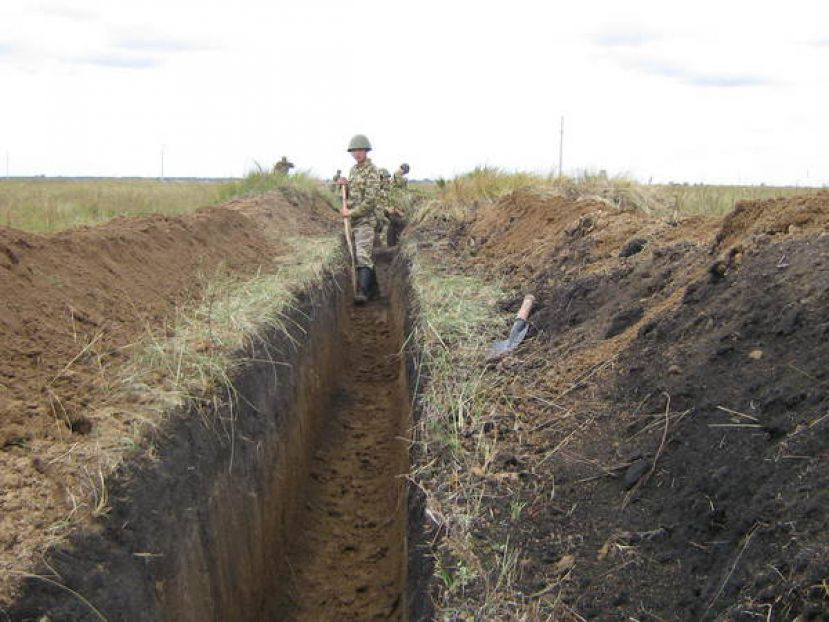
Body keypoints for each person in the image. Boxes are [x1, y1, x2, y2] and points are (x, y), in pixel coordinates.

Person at [337, 134, 382, 304]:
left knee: (363, 255)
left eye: (360, 150)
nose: (357, 154)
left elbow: (370, 202)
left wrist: (351, 212)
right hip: (352, 221)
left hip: (365, 220)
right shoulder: (353, 170)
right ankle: (374, 291)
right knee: (357, 255)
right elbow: (351, 195)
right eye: (354, 151)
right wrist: (344, 185)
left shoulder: (373, 171)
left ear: (366, 151)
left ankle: (363, 293)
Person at [387, 163, 410, 246]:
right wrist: (405, 180)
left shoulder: (396, 175)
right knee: (396, 226)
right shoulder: (398, 173)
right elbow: (400, 184)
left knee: (393, 227)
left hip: (396, 202)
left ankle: (394, 245)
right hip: (395, 203)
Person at [376, 168, 392, 247]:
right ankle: (383, 244)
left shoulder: (382, 187)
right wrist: (386, 208)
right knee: (386, 222)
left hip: (379, 211)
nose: (387, 180)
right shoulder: (376, 188)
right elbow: (376, 203)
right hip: (375, 212)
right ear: (381, 177)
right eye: (386, 178)